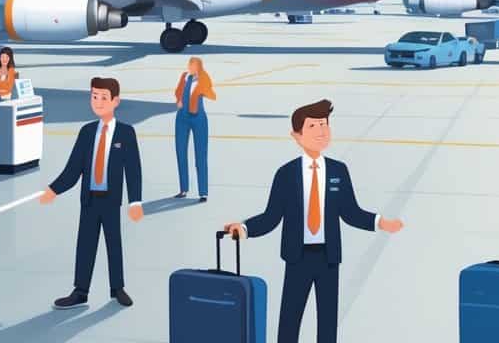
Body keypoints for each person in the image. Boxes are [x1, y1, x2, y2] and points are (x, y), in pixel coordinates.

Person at [224, 99, 404, 343]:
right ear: (296, 135)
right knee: (290, 319)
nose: (321, 131)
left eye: (324, 125)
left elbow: (350, 212)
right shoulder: (286, 175)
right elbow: (271, 217)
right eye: (313, 126)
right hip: (297, 257)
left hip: (328, 258)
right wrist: (244, 228)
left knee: (327, 323)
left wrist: (381, 222)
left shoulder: (339, 171)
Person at [39, 77, 144, 309]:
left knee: (113, 243)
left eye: (103, 97)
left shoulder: (126, 133)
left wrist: (135, 201)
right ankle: (80, 291)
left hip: (111, 199)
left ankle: (117, 288)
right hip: (89, 199)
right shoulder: (86, 132)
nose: (98, 102)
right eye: (94, 96)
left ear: (116, 101)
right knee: (85, 244)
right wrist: (54, 189)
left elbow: (133, 169)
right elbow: (74, 167)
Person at [173, 56, 216, 202]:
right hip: (182, 117)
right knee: (180, 152)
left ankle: (203, 192)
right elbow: (178, 91)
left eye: (192, 65)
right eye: (189, 65)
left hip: (199, 119)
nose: (190, 68)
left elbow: (212, 94)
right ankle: (183, 189)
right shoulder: (185, 77)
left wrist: (204, 90)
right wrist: (178, 100)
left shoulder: (204, 78)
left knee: (201, 155)